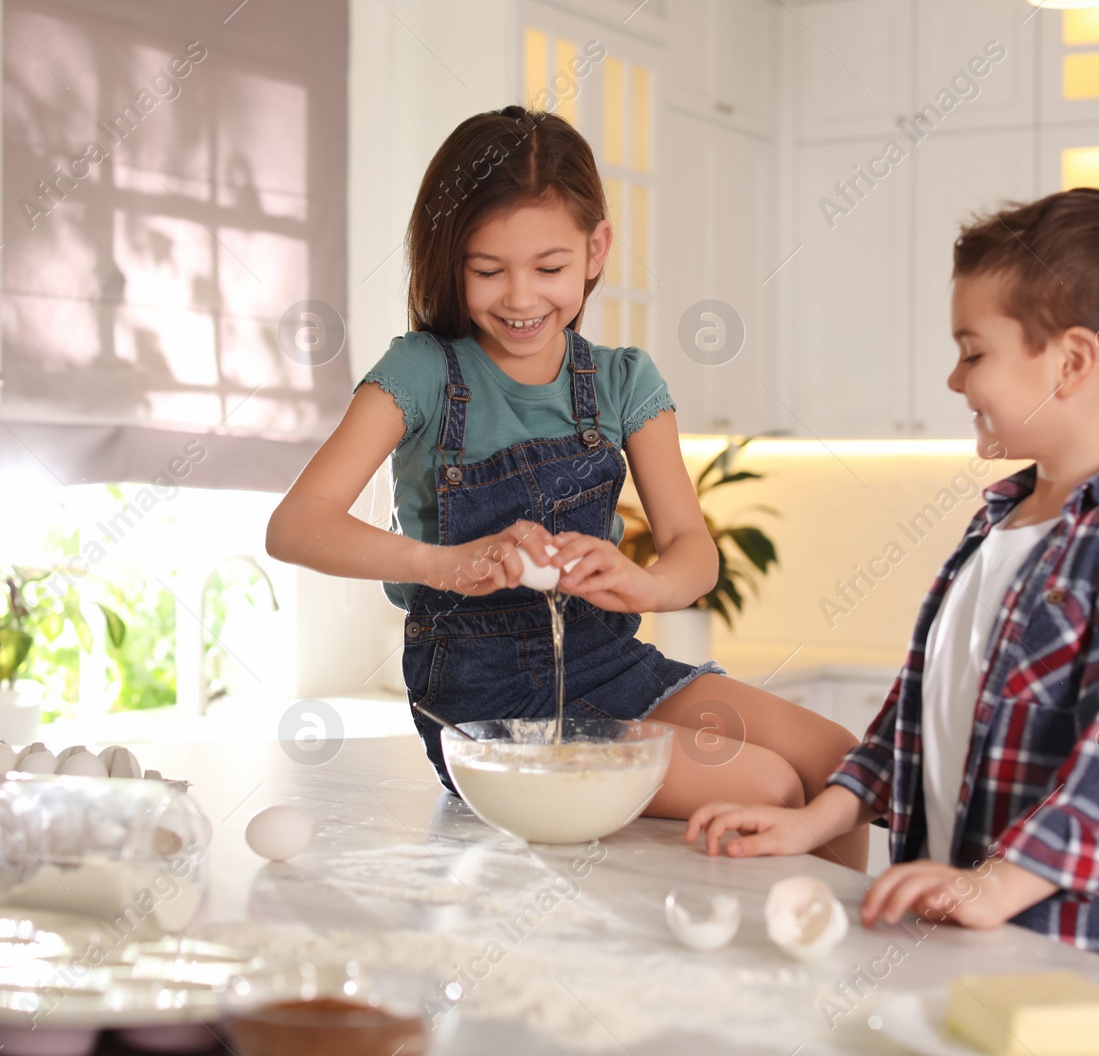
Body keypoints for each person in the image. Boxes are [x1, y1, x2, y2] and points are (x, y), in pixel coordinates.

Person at [687, 188, 1099, 1002]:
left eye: (973, 351)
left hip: (1092, 979)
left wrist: (996, 882)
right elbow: (918, 714)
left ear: (1071, 363)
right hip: (980, 961)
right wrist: (820, 818)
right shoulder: (1000, 523)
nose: (954, 377)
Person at [266, 105, 866, 869]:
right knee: (772, 784)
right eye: (488, 270)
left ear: (596, 249)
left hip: (609, 659)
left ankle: (833, 971)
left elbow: (693, 553)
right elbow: (296, 524)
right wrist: (445, 563)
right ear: (449, 261)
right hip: (483, 700)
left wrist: (641, 584)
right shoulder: (422, 373)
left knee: (844, 761)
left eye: (549, 268)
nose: (521, 299)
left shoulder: (621, 382)